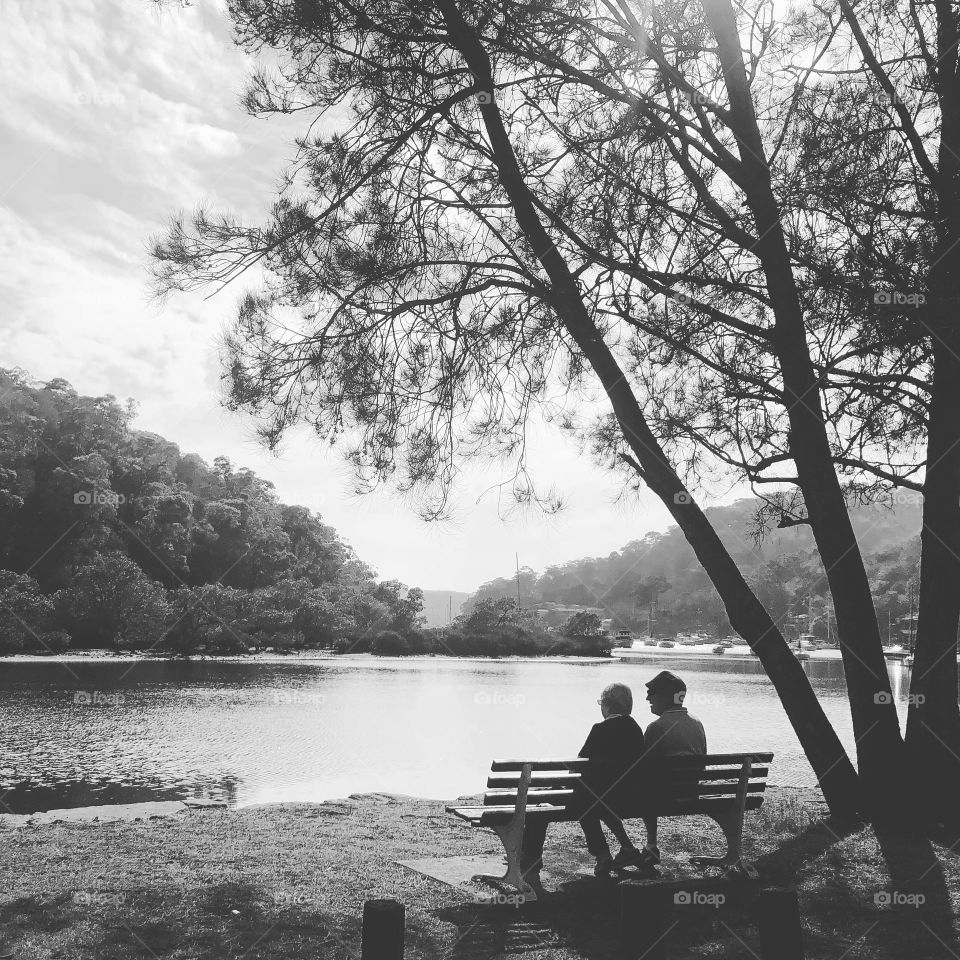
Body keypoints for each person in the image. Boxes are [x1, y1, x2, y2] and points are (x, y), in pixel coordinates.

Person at [518, 682, 646, 889]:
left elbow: (578, 766)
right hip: (624, 798)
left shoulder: (600, 729)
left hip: (598, 798)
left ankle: (531, 858)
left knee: (540, 803)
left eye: (601, 704)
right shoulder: (635, 729)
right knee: (588, 802)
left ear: (607, 705)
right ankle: (603, 854)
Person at [635, 670, 707, 871]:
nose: (647, 697)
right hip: (691, 792)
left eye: (652, 692)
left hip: (665, 796)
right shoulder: (697, 723)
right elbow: (702, 763)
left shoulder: (656, 727)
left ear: (667, 697)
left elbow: (644, 769)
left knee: (643, 785)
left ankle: (651, 845)